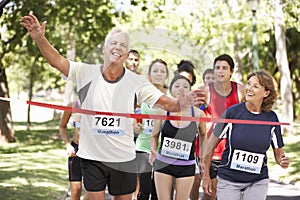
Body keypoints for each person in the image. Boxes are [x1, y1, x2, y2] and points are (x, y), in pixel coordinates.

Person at [20, 12, 205, 200]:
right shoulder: (85, 72)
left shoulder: (137, 82)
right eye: (114, 43)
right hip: (92, 157)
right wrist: (40, 39)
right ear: (104, 48)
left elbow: (169, 104)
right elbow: (56, 61)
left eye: (123, 45)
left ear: (126, 54)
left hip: (123, 159)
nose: (118, 47)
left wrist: (184, 101)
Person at [202, 70, 290, 200]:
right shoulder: (232, 113)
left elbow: (279, 155)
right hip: (229, 180)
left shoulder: (272, 118)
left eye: (255, 86)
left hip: (257, 180)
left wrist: (283, 161)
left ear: (266, 93)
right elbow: (210, 145)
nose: (249, 88)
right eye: (248, 84)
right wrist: (206, 175)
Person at [149, 75, 207, 200]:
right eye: (177, 86)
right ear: (171, 91)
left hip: (186, 165)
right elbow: (154, 136)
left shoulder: (198, 114)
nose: (181, 89)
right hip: (163, 163)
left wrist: (201, 158)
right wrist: (153, 151)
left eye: (185, 86)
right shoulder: (162, 112)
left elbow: (203, 135)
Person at [200, 54, 245, 200]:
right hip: (211, 152)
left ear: (231, 71)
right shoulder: (206, 91)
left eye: (224, 68)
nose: (220, 71)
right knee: (210, 196)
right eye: (217, 68)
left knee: (228, 195)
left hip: (233, 152)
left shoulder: (241, 90)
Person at [135, 59, 169, 200]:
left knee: (157, 192)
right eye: (155, 71)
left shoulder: (170, 99)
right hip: (143, 147)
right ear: (149, 74)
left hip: (163, 149)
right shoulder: (141, 95)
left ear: (167, 75)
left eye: (162, 71)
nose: (158, 74)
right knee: (144, 190)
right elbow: (131, 113)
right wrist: (134, 124)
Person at [190, 68, 215, 200]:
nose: (210, 81)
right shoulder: (197, 100)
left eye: (213, 79)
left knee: (211, 188)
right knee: (196, 178)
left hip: (214, 147)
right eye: (208, 79)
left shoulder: (218, 102)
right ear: (203, 81)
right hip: (198, 144)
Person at [59, 100, 85, 200]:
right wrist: (67, 145)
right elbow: (62, 126)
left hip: (93, 152)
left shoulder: (100, 104)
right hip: (76, 150)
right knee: (75, 191)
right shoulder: (74, 105)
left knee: (92, 194)